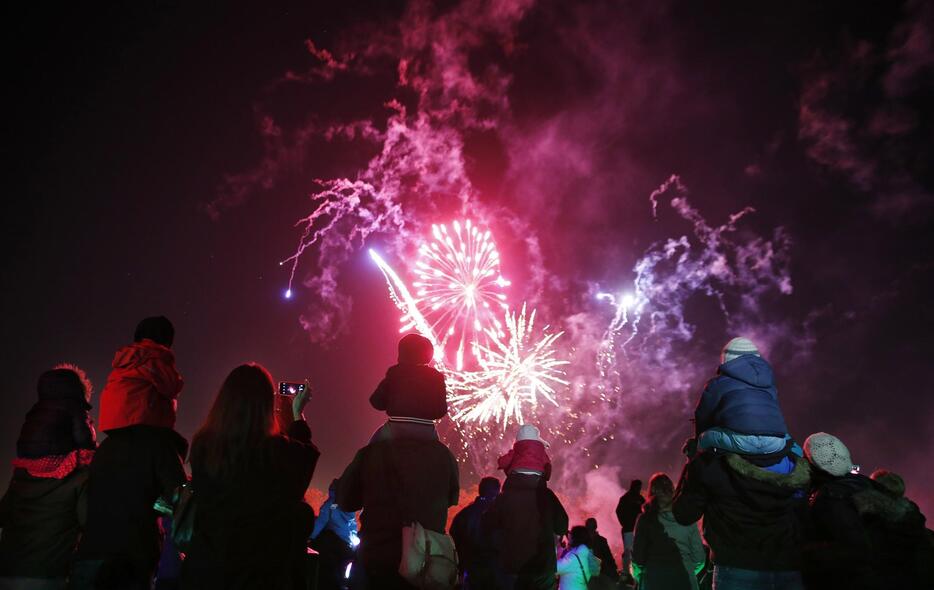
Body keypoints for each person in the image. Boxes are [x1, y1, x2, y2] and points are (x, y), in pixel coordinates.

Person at [72, 317, 188, 590]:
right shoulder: (157, 446)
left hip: (90, 554)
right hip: (131, 561)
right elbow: (182, 501)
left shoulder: (105, 450)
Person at [181, 364, 319, 590]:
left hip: (206, 571)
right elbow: (304, 460)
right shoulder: (277, 452)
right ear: (267, 405)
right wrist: (297, 414)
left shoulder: (204, 447)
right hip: (258, 576)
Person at [671, 420, 810, 590]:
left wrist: (693, 461)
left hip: (738, 567)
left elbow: (684, 513)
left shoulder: (714, 466)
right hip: (787, 566)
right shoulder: (794, 464)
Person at [0, 366, 97, 590]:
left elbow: (3, 514)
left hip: (7, 572)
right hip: (49, 576)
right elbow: (90, 525)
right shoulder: (79, 476)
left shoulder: (22, 473)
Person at [337, 419, 460, 589]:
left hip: (377, 559)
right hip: (425, 562)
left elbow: (346, 500)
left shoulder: (372, 453)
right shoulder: (445, 456)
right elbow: (452, 499)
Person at [802, 433, 932, 590]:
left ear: (812, 463)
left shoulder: (831, 496)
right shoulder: (866, 483)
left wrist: (802, 555)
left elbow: (853, 553)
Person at [688, 337, 800, 457]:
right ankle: (804, 460)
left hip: (741, 441)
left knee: (704, 439)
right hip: (776, 443)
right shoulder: (769, 382)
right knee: (790, 442)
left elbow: (703, 414)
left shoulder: (718, 383)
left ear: (727, 359)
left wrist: (698, 437)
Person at [483, 452, 569, 590]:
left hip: (512, 567)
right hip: (542, 566)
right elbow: (562, 525)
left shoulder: (504, 498)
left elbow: (486, 526)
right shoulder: (547, 496)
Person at [631, 473, 705, 590]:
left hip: (654, 581)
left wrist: (640, 575)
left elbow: (637, 558)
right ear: (673, 491)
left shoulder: (646, 519)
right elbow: (699, 558)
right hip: (685, 581)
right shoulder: (687, 517)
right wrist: (686, 570)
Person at [369, 333, 447, 442]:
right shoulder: (437, 376)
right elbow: (441, 410)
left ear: (402, 353)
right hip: (426, 431)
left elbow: (376, 402)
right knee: (443, 455)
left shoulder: (395, 373)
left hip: (395, 428)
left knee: (369, 451)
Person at [450, 477, 503, 589]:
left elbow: (454, 536)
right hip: (494, 571)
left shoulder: (465, 515)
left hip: (471, 569)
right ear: (497, 492)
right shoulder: (501, 516)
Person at [311, 479, 359, 590]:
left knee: (329, 569)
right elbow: (352, 525)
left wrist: (311, 536)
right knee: (342, 570)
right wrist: (353, 542)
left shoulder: (331, 504)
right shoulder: (349, 506)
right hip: (346, 545)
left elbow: (322, 520)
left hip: (333, 542)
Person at [555, 526, 601, 590]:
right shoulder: (584, 554)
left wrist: (554, 543)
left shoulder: (574, 558)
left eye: (570, 533)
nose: (568, 535)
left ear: (575, 537)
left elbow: (554, 568)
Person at [615, 479, 644, 580]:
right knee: (629, 551)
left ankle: (631, 573)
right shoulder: (626, 498)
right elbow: (618, 511)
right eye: (638, 487)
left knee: (634, 551)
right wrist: (625, 523)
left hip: (636, 530)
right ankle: (628, 573)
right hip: (629, 530)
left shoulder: (639, 498)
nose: (639, 489)